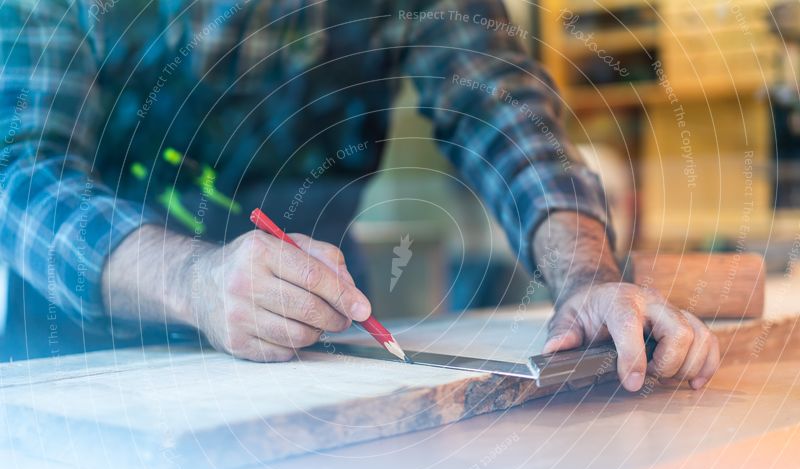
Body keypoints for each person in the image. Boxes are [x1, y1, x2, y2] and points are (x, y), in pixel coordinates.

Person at [0, 0, 718, 391]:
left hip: (321, 359)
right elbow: (18, 168)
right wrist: (193, 279)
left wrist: (587, 276)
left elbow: (498, 103)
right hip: (83, 367)